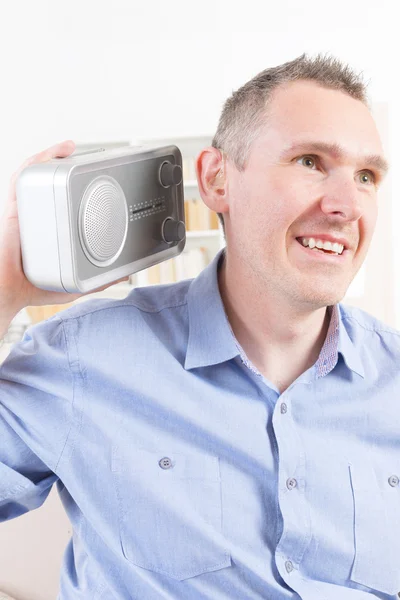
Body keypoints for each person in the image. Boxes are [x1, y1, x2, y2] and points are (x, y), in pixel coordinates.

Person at [0, 52, 398, 600]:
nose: (345, 205)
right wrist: (4, 291)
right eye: (309, 161)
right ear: (216, 180)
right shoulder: (82, 356)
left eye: (367, 176)